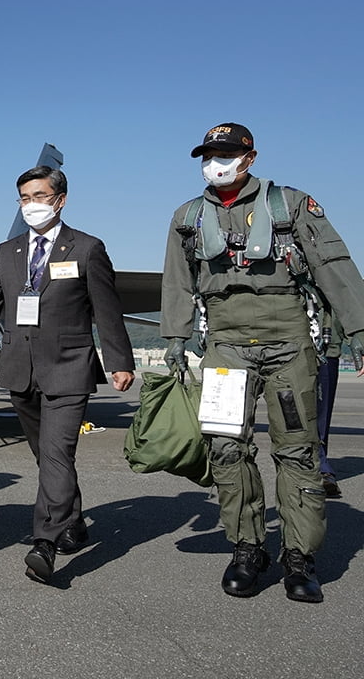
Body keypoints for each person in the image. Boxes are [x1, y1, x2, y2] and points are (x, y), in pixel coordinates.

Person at [161, 122, 364, 604]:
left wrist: (359, 331)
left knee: (296, 451)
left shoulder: (291, 206)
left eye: (226, 152)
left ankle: (299, 557)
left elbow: (334, 265)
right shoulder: (187, 217)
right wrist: (174, 337)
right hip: (226, 346)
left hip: (289, 342)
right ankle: (248, 548)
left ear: (249, 157)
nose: (216, 162)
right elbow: (176, 280)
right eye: (209, 154)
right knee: (227, 450)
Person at [0, 166, 135, 584]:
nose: (31, 205)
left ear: (60, 199)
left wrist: (120, 361)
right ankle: (71, 520)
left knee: (56, 455)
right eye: (24, 198)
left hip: (69, 368)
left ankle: (45, 542)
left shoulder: (87, 249)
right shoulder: (7, 252)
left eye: (39, 196)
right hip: (19, 369)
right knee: (46, 456)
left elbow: (106, 311)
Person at [316, 312, 346, 499]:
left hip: (325, 346)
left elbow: (346, 298)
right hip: (279, 343)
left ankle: (321, 466)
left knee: (321, 412)